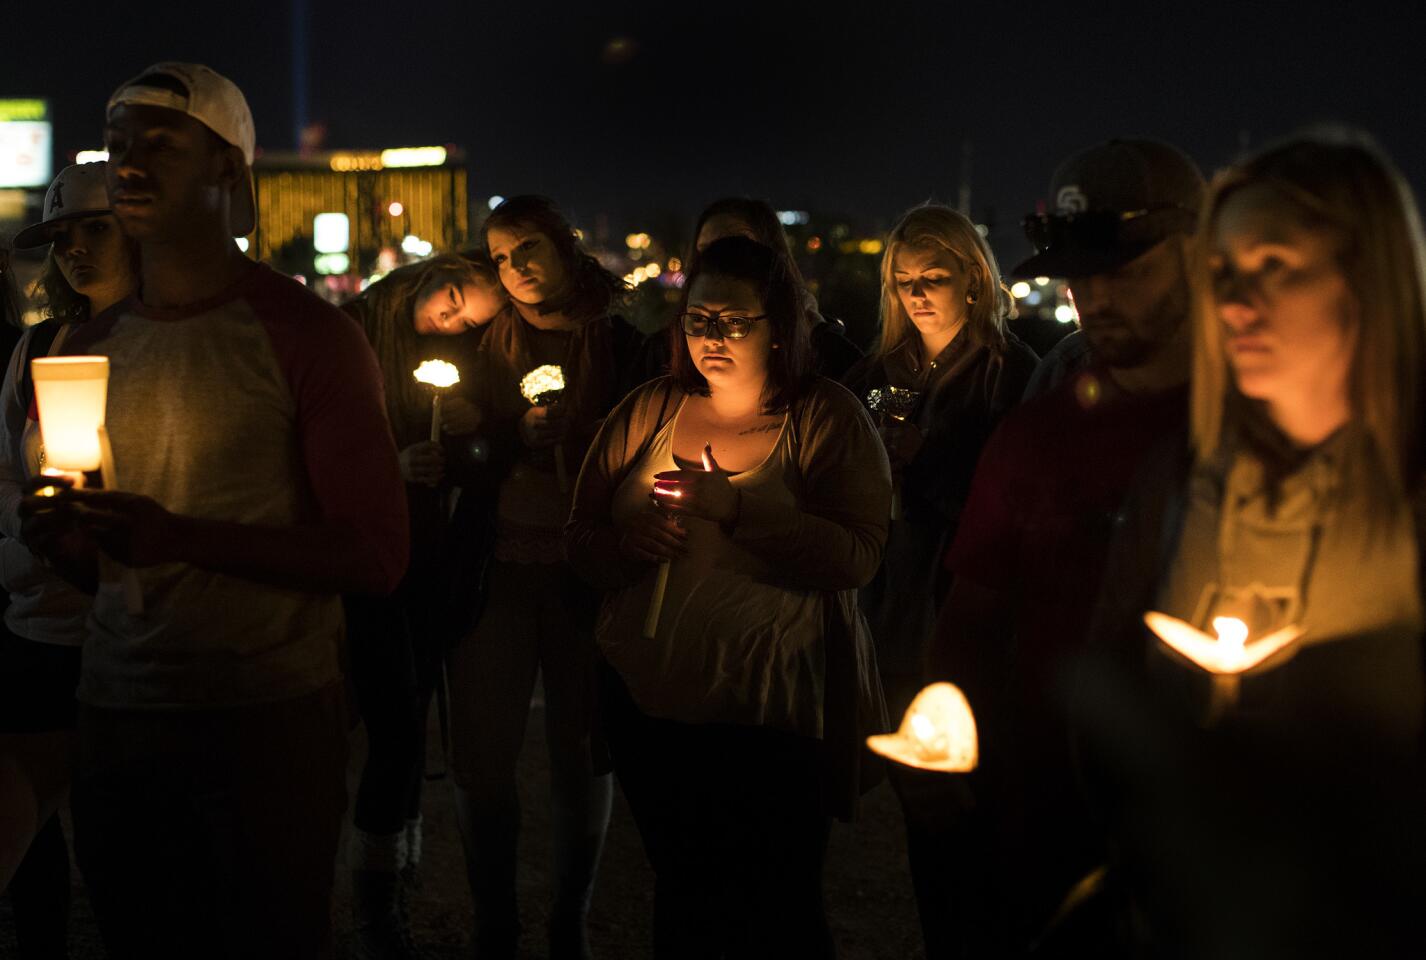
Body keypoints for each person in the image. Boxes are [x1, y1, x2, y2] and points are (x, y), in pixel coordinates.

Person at [19, 63, 408, 958]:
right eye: (117, 144)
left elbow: (377, 554)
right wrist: (67, 541)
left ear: (229, 170)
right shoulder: (90, 346)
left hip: (262, 721)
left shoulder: (308, 336)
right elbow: (111, 570)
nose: (129, 164)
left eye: (161, 142)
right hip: (115, 714)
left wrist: (176, 537)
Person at [1077, 128, 1426, 958]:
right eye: (1226, 273)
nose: (1236, 303)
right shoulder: (1179, 480)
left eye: (1275, 267)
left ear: (1368, 279)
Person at [567, 236, 891, 958]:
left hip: (773, 714)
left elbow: (858, 556)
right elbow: (580, 534)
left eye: (734, 321)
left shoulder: (826, 417)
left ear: (778, 326)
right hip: (652, 709)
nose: (713, 337)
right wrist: (629, 547)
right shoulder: (647, 411)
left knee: (777, 904)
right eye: (699, 319)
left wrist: (738, 509)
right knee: (683, 892)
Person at [927, 139, 1204, 955]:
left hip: (1203, 837)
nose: (1093, 299)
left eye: (1124, 271)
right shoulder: (1035, 436)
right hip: (1043, 821)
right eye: (1079, 276)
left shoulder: (1259, 429)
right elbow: (973, 613)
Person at [446, 195, 642, 959]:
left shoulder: (623, 345)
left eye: (527, 246)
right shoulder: (478, 346)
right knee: (483, 752)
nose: (516, 267)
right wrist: (509, 437)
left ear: (565, 248)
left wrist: (588, 439)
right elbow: (454, 444)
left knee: (581, 745)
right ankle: (496, 921)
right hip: (497, 566)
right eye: (497, 256)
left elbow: (648, 435)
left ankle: (571, 920)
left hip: (583, 570)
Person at [839, 203, 1036, 959]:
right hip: (886, 605)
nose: (917, 293)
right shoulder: (879, 371)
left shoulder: (1007, 374)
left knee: (972, 813)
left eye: (934, 277)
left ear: (975, 282)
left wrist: (926, 459)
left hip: (961, 610)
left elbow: (1011, 504)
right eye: (903, 280)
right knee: (920, 810)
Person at [339, 251, 504, 958]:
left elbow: (491, 461)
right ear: (441, 270)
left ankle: (389, 893)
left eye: (469, 321)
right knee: (393, 732)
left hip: (436, 573)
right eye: (457, 299)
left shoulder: (461, 359)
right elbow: (321, 452)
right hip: (368, 571)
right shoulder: (351, 334)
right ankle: (369, 910)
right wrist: (393, 469)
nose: (453, 319)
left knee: (407, 733)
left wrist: (470, 437)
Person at [0, 160, 138, 957]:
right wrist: (26, 518)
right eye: (60, 236)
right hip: (39, 626)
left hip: (131, 630)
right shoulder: (38, 348)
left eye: (94, 227)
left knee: (128, 844)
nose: (75, 249)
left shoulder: (174, 345)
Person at [638, 197, 864, 381]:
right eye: (707, 251)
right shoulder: (663, 353)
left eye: (738, 246)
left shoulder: (822, 351)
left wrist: (815, 333)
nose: (721, 260)